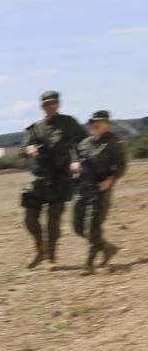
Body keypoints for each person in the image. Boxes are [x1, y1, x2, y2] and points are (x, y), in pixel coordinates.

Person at [21, 91, 85, 269]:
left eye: (53, 103)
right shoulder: (35, 128)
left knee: (53, 219)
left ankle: (51, 257)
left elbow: (84, 142)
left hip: (60, 178)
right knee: (29, 218)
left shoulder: (68, 123)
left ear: (58, 104)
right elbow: (23, 148)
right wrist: (29, 148)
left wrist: (76, 160)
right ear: (42, 107)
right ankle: (40, 249)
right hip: (39, 179)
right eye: (46, 104)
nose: (50, 106)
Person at [71, 110, 127, 273]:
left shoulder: (114, 141)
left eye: (99, 121)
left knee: (93, 226)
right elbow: (77, 159)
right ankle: (107, 247)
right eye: (93, 122)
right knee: (77, 227)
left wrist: (110, 180)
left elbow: (121, 165)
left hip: (101, 189)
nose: (95, 124)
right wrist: (75, 165)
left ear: (107, 124)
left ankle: (90, 264)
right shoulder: (84, 143)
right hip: (83, 188)